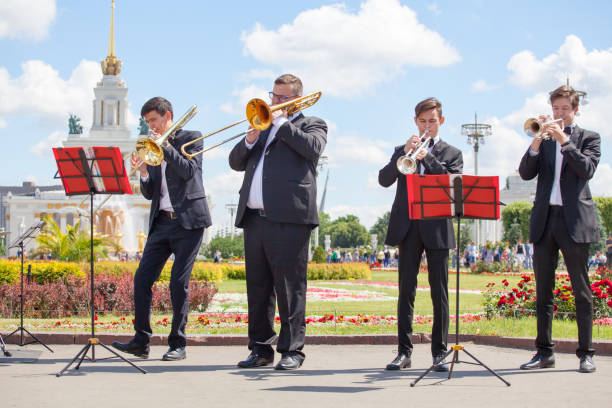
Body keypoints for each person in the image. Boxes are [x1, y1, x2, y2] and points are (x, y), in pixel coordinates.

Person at [229, 74, 327, 370]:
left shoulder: (311, 124)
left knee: (289, 288)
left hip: (290, 218)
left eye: (283, 98)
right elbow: (235, 162)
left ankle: (292, 350)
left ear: (297, 98)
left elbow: (313, 149)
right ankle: (260, 348)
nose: (275, 102)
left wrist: (283, 123)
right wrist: (249, 139)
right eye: (274, 96)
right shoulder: (261, 125)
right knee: (258, 288)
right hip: (255, 218)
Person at [112, 97, 211, 361]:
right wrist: (144, 171)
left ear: (168, 116)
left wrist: (166, 146)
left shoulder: (192, 137)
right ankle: (140, 340)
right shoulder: (150, 147)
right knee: (142, 279)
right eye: (147, 123)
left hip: (188, 221)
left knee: (178, 282)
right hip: (161, 221)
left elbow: (190, 172)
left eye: (154, 120)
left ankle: (178, 343)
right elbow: (149, 193)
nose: (150, 127)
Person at [518, 85, 600, 373]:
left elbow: (586, 169)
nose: (558, 113)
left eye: (564, 108)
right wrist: (538, 141)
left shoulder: (589, 138)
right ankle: (544, 353)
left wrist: (564, 139)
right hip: (545, 219)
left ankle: (586, 353)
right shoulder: (545, 138)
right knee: (543, 292)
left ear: (575, 110)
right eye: (555, 108)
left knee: (581, 290)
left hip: (574, 220)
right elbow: (526, 172)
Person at [378, 97, 463, 371]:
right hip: (409, 226)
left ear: (441, 122)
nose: (427, 127)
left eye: (433, 122)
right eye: (423, 121)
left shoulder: (452, 153)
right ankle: (404, 351)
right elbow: (384, 179)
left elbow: (452, 185)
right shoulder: (401, 150)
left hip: (437, 227)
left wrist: (431, 159)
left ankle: (439, 351)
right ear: (415, 122)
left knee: (440, 292)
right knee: (406, 291)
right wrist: (404, 151)